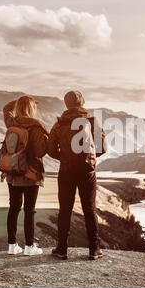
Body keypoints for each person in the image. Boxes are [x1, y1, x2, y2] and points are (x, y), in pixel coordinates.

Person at [47, 90, 106, 260]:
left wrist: (65, 158)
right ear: (82, 103)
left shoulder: (60, 124)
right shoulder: (91, 122)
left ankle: (62, 249)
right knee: (90, 209)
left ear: (66, 104)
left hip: (66, 171)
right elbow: (103, 148)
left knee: (65, 210)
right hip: (88, 171)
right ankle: (94, 249)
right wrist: (88, 158)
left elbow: (50, 149)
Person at [3, 96, 48, 256]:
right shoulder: (36, 127)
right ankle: (29, 246)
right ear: (31, 109)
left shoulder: (12, 123)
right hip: (30, 174)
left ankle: (11, 245)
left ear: (19, 108)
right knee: (29, 210)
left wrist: (18, 100)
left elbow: (6, 108)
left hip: (13, 173)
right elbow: (40, 151)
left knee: (14, 208)